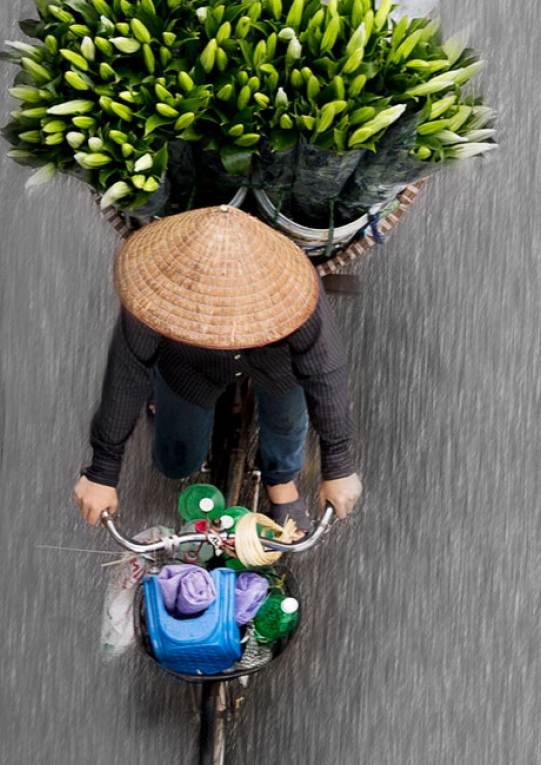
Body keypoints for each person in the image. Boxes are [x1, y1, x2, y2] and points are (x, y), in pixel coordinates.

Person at [73, 204, 362, 532]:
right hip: (188, 366)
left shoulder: (296, 284)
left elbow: (324, 370)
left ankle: (280, 481)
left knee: (287, 424)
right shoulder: (155, 286)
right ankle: (160, 389)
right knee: (176, 464)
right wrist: (102, 471)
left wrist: (338, 465)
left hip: (278, 366)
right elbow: (127, 370)